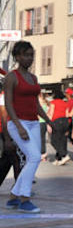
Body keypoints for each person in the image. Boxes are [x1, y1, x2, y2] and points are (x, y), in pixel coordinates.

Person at [3, 41, 54, 213]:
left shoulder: (33, 78)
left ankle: (13, 197)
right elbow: (8, 104)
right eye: (25, 55)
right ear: (17, 57)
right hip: (18, 123)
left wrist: (48, 120)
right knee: (34, 157)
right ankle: (24, 199)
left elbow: (36, 104)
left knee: (33, 158)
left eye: (31, 55)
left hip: (33, 123)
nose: (29, 58)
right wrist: (19, 127)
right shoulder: (12, 77)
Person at [48, 90, 70, 165]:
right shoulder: (65, 103)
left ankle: (64, 155)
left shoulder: (53, 102)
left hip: (56, 121)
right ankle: (58, 158)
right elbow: (67, 114)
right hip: (65, 121)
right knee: (62, 140)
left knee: (54, 141)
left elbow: (51, 113)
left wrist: (49, 124)